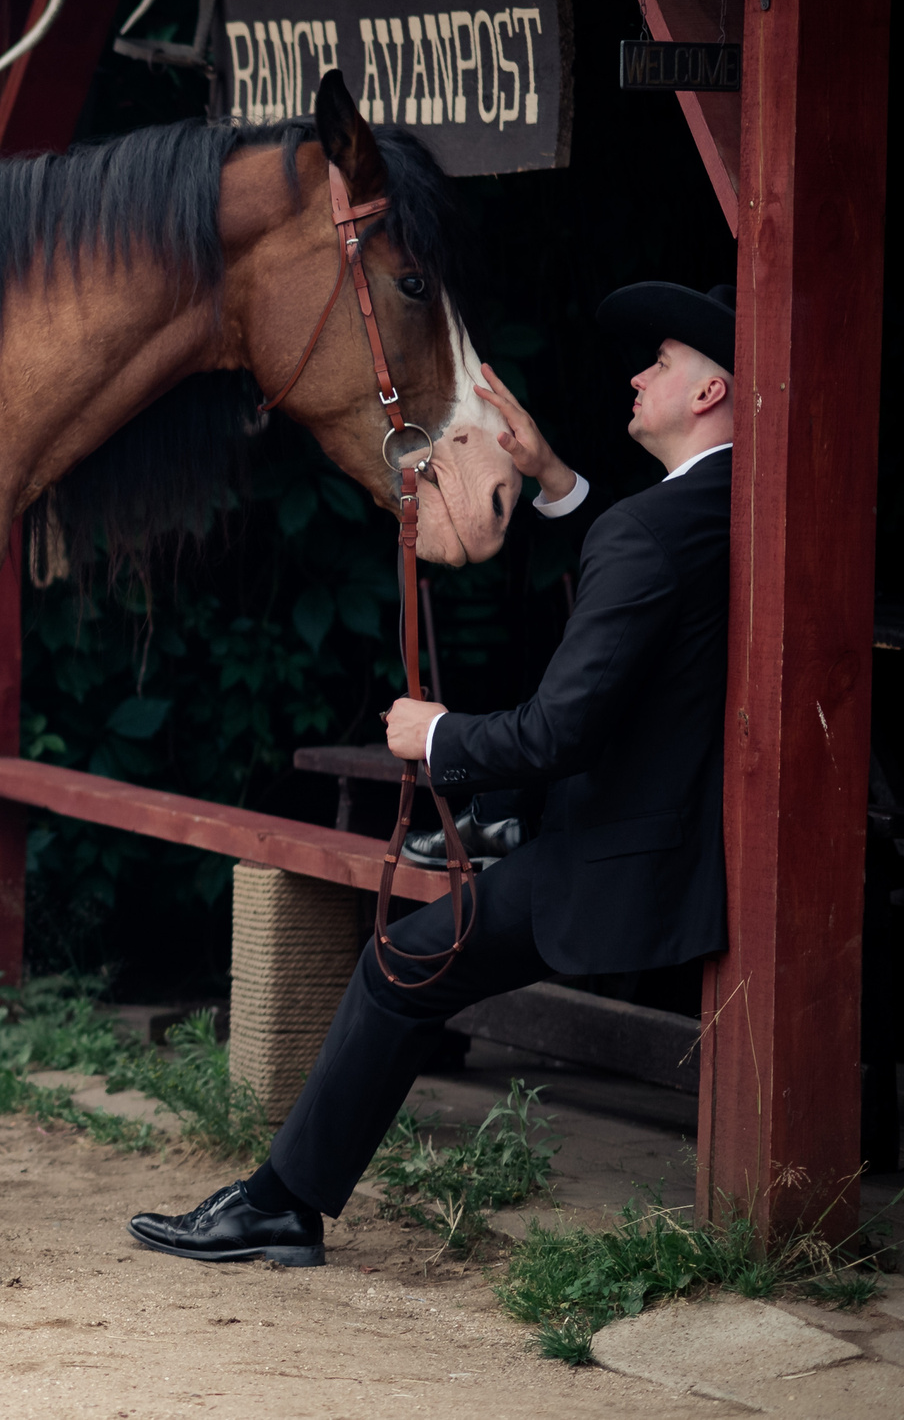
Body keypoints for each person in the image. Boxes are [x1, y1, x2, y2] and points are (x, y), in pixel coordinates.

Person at [126, 281, 738, 1267]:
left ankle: (281, 1206)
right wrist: (553, 479)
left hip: (625, 859)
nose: (637, 376)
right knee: (413, 953)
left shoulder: (655, 532)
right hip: (673, 833)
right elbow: (642, 584)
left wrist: (436, 734)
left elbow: (558, 730)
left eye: (660, 364)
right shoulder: (724, 508)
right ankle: (282, 1197)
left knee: (398, 965)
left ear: (709, 394)